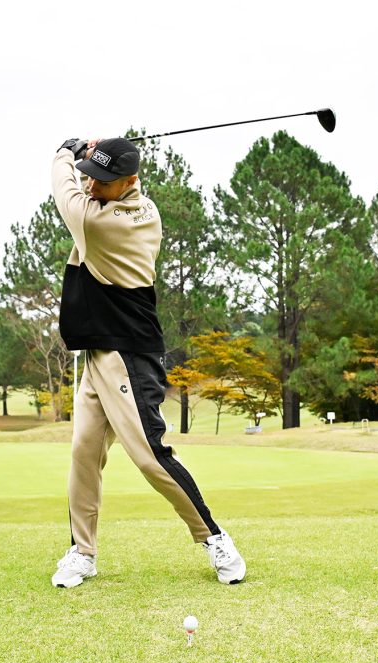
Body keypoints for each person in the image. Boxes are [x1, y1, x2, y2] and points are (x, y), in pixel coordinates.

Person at [48, 137, 246, 588]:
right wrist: (95, 155)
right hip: (100, 352)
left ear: (129, 182)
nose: (92, 186)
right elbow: (97, 177)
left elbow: (64, 191)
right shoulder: (143, 206)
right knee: (84, 452)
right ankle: (82, 552)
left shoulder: (98, 221)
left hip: (128, 356)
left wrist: (65, 152)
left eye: (102, 181)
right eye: (90, 177)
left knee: (151, 456)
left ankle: (214, 538)